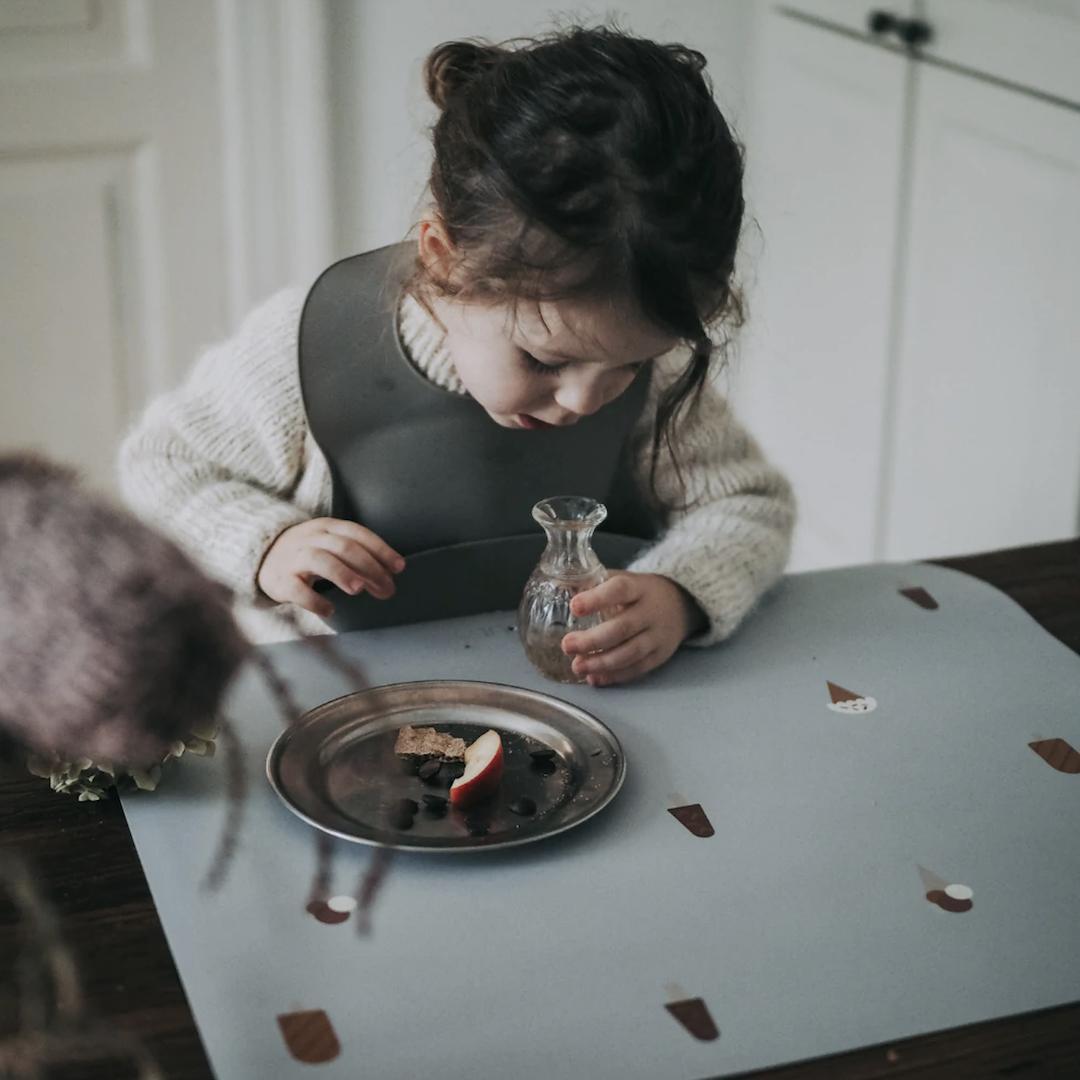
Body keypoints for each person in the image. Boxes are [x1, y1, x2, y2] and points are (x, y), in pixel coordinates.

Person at [119, 24, 795, 686]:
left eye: (628, 366)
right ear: (444, 257)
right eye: (545, 360)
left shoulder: (640, 350)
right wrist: (263, 543)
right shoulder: (304, 344)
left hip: (576, 707)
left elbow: (747, 504)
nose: (585, 402)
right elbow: (163, 466)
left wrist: (679, 594)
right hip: (340, 704)